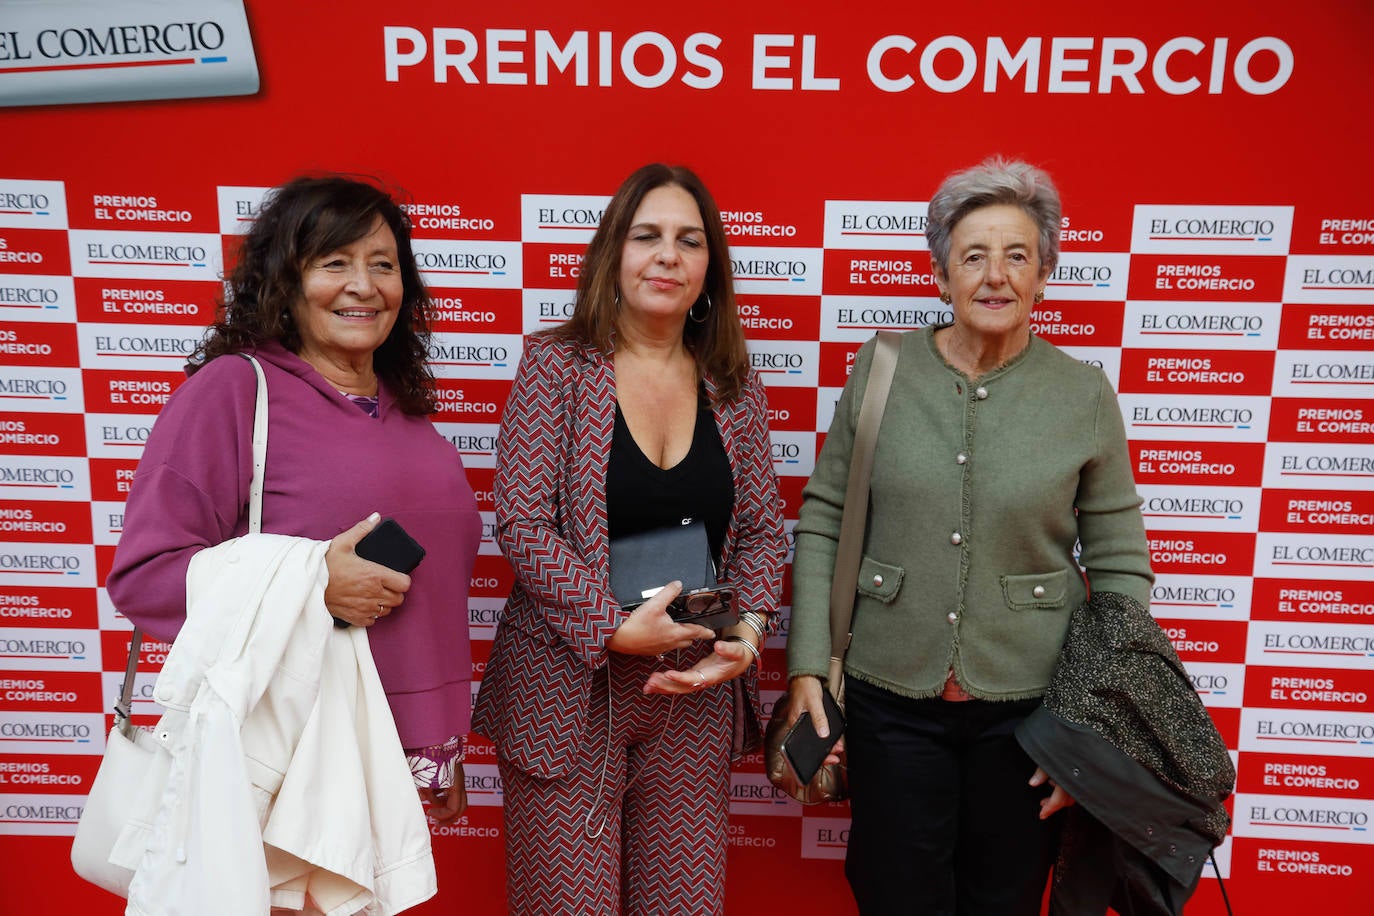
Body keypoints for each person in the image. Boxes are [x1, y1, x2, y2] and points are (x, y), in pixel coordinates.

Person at [785, 157, 1155, 915]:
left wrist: (1089, 725)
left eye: (1018, 255)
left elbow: (1119, 567)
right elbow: (824, 520)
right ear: (940, 273)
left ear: (1045, 274)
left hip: (1032, 713)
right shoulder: (882, 369)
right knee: (894, 895)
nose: (996, 275)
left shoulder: (1082, 394)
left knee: (1005, 900)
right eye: (973, 255)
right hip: (891, 699)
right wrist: (806, 674)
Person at [107, 174, 481, 825]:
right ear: (286, 279)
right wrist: (313, 585)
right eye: (334, 262)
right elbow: (145, 577)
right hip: (281, 756)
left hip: (396, 760)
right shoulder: (234, 391)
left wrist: (439, 747)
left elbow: (431, 609)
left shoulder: (413, 421)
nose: (363, 285)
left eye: (383, 265)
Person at [472, 163, 786, 916]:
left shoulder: (733, 385)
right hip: (570, 698)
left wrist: (746, 630)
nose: (667, 255)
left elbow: (766, 532)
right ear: (614, 253)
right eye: (647, 236)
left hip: (693, 695)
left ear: (710, 265)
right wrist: (612, 626)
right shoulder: (555, 367)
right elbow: (522, 520)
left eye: (689, 240)